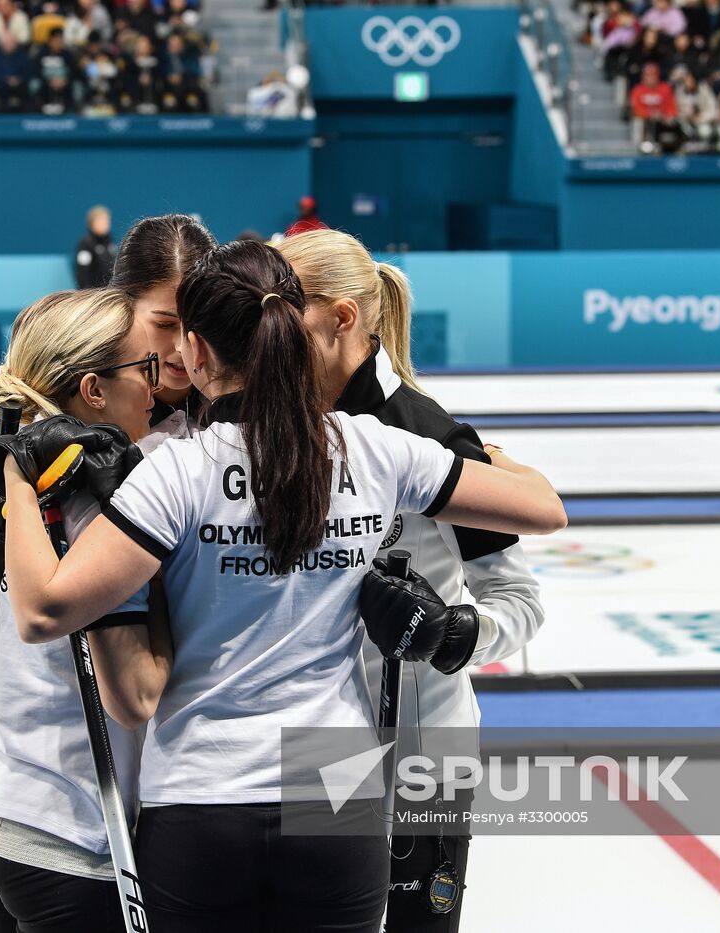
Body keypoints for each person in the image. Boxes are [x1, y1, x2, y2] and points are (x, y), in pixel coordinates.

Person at [0, 240, 566, 932]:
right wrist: (483, 454)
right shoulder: (373, 446)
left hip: (224, 779)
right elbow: (545, 509)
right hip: (338, 777)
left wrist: (16, 481)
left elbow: (45, 609)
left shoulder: (179, 467)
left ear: (198, 352)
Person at [279, 229, 546, 933]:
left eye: (283, 309)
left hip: (424, 750)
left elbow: (519, 600)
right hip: (314, 742)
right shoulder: (275, 427)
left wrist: (457, 634)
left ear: (342, 317)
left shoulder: (429, 435)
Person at [0, 288, 171, 932]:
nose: (156, 385)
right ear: (94, 390)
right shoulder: (100, 500)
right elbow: (135, 697)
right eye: (144, 368)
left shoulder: (24, 482)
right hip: (73, 834)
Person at [107, 212, 217, 437]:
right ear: (121, 306)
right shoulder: (77, 401)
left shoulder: (251, 395)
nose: (182, 346)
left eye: (198, 323)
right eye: (165, 324)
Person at [74, 204, 115, 289]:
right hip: (93, 293)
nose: (106, 224)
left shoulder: (109, 243)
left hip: (108, 292)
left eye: (107, 221)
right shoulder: (85, 244)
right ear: (92, 223)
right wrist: (85, 294)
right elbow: (82, 274)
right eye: (102, 221)